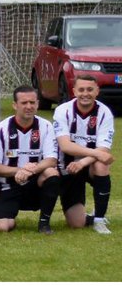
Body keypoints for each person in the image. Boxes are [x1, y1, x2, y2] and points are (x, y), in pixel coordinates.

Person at [0, 86, 60, 234]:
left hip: (34, 186)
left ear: (37, 104)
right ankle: (4, 215)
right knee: (1, 227)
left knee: (51, 173)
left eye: (32, 102)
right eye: (24, 103)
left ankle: (44, 223)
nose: (29, 106)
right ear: (15, 105)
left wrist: (30, 171)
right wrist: (20, 170)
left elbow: (51, 160)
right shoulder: (0, 130)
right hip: (7, 187)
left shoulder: (46, 126)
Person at [52, 74, 113, 234]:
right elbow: (65, 145)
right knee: (76, 223)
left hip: (88, 165)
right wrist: (93, 154)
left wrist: (83, 162)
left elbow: (104, 150)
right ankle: (90, 218)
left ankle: (99, 219)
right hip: (67, 167)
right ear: (74, 91)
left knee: (101, 164)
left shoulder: (104, 113)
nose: (85, 93)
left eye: (90, 89)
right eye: (81, 89)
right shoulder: (63, 111)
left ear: (97, 91)